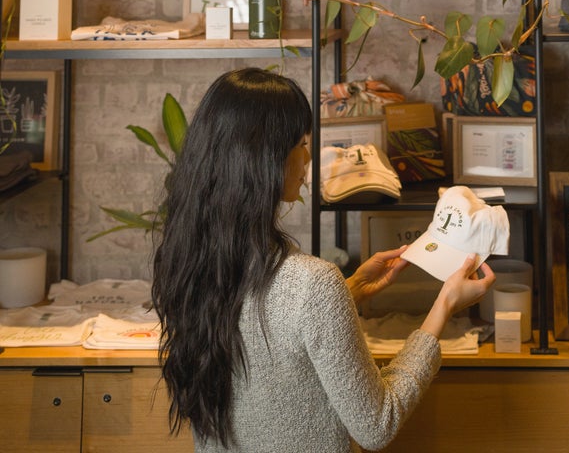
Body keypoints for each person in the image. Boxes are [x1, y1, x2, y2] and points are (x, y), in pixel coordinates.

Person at [151, 68, 496, 452]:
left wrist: (348, 294)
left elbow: (270, 334)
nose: (308, 156)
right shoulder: (312, 284)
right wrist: (444, 304)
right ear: (264, 159)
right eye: (301, 142)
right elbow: (377, 424)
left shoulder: (190, 263)